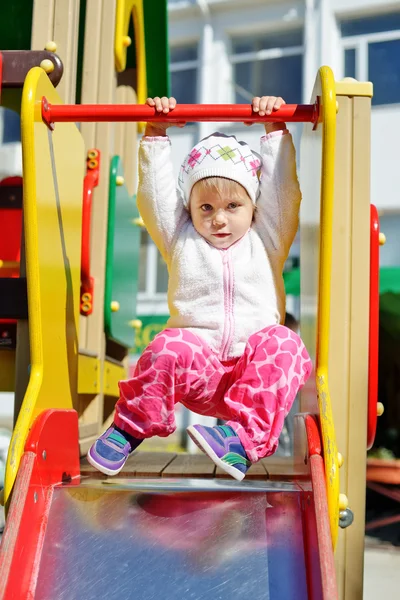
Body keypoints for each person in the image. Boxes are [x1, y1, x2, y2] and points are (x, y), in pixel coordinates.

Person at [87, 95, 312, 481]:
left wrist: (274, 129)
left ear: (253, 207)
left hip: (251, 374)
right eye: (205, 208)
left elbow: (284, 195)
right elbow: (154, 198)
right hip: (199, 371)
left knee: (287, 344)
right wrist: (155, 134)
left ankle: (239, 441)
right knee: (167, 345)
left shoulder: (268, 238)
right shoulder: (180, 238)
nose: (218, 219)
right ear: (189, 208)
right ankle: (128, 429)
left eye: (232, 206)